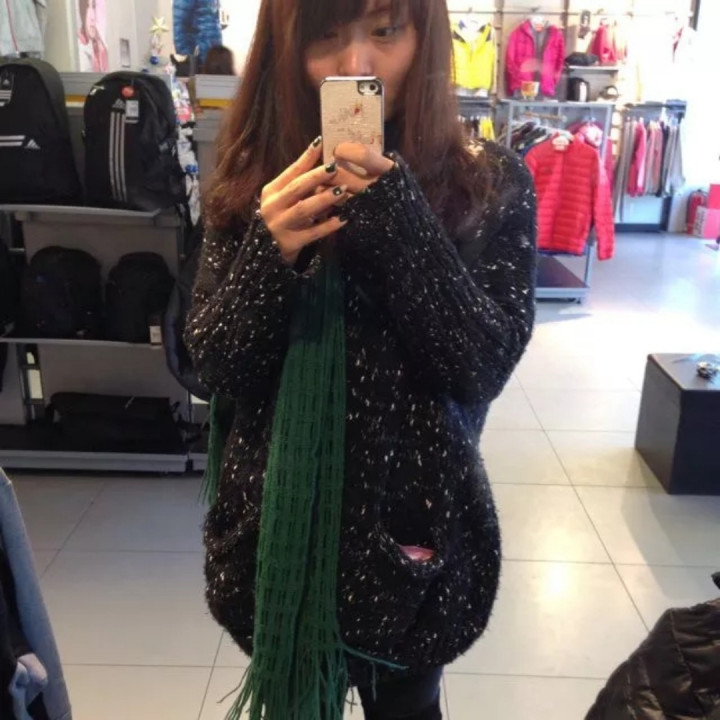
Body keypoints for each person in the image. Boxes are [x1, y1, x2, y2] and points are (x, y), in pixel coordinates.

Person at [186, 0, 537, 718]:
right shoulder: (254, 177)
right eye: (325, 37)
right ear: (285, 50)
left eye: (384, 31)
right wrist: (269, 255)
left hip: (413, 534)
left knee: (407, 705)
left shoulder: (487, 182)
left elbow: (480, 367)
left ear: (424, 37)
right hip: (277, 539)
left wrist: (400, 218)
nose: (356, 66)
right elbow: (215, 369)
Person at [77, 0, 108, 73]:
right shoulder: (80, 47)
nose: (92, 17)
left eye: (94, 7)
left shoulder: (100, 46)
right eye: (87, 7)